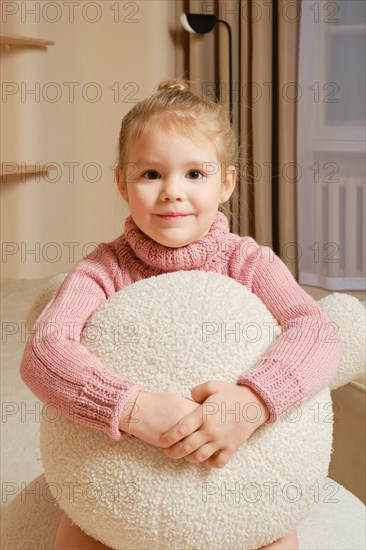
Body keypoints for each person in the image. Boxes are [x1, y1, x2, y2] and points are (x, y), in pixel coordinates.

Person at [20, 79, 341, 550]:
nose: (172, 191)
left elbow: (315, 331)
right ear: (122, 182)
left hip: (232, 470)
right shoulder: (102, 268)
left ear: (226, 183)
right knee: (76, 530)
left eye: (194, 174)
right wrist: (131, 408)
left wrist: (251, 402)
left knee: (274, 530)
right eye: (151, 174)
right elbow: (45, 352)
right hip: (127, 472)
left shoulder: (248, 262)